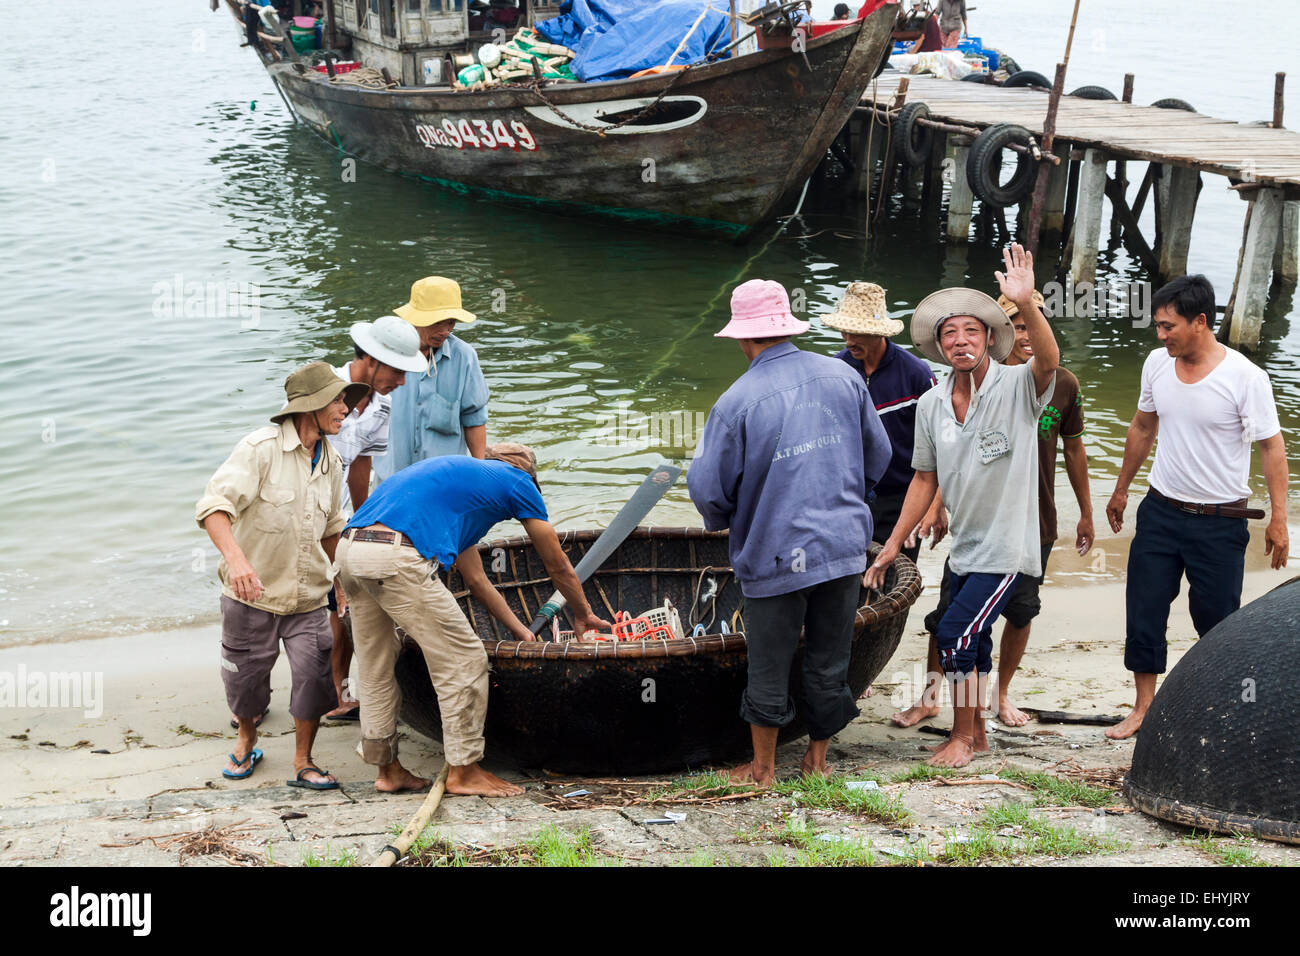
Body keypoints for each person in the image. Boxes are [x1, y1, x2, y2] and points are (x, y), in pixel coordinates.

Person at [688, 279, 891, 786]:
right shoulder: (843, 377)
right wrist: (844, 493)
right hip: (844, 547)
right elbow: (879, 456)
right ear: (787, 327)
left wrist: (729, 517)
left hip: (777, 552)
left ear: (742, 338)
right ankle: (816, 761)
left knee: (770, 662)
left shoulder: (737, 401)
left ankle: (761, 769)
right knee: (829, 660)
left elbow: (710, 489)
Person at [866, 244, 1061, 768]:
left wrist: (1028, 303)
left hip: (1007, 547)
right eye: (949, 333)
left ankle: (960, 736)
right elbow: (923, 479)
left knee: (954, 632)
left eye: (971, 331)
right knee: (966, 641)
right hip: (965, 547)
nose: (960, 340)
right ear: (937, 344)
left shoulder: (1019, 386)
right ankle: (974, 736)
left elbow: (1050, 361)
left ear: (990, 340)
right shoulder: (931, 402)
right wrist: (890, 546)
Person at [337, 444, 611, 795]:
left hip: (350, 550)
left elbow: (478, 581)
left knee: (375, 665)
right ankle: (464, 771)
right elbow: (557, 564)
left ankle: (387, 770)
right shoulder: (519, 481)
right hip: (394, 557)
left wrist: (521, 632)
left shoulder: (459, 486)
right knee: (464, 660)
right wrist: (584, 613)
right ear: (529, 474)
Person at [896, 290, 1094, 729]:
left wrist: (1087, 510)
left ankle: (992, 705)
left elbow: (1075, 448)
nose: (1024, 333)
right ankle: (944, 706)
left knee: (1014, 613)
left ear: (988, 336)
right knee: (951, 621)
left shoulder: (1048, 381)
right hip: (974, 531)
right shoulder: (955, 391)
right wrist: (933, 508)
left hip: (1028, 526)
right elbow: (952, 461)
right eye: (1017, 325)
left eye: (1030, 323)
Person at [1104, 275, 1289, 740]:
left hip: (1221, 522)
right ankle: (1144, 707)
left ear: (1201, 322)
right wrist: (1122, 489)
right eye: (1158, 327)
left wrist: (1280, 519)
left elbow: (1272, 448)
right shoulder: (1156, 364)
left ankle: (1223, 705)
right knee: (1144, 610)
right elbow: (1143, 427)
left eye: (1168, 326)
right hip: (1161, 511)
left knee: (1218, 620)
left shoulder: (1245, 377)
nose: (1160, 335)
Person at [196, 362, 369, 788]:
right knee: (246, 683)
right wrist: (238, 562)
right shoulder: (259, 449)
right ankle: (246, 741)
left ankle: (303, 760)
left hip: (309, 597)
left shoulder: (332, 458)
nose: (346, 408)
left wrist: (342, 583)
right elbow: (213, 508)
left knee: (313, 679)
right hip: (250, 596)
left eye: (346, 400)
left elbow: (332, 528)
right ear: (310, 407)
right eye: (338, 400)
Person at [322, 315, 428, 721]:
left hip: (338, 511)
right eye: (397, 371)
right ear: (370, 360)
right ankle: (261, 697)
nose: (401, 382)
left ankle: (337, 691)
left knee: (341, 602)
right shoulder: (323, 387)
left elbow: (361, 463)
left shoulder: (382, 403)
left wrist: (362, 519)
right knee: (308, 602)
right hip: (302, 507)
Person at [824, 281, 941, 565]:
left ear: (878, 333)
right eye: (845, 330)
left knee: (895, 579)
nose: (849, 339)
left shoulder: (917, 374)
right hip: (849, 499)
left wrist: (935, 505)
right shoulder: (835, 371)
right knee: (848, 580)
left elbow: (942, 445)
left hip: (903, 500)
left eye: (858, 332)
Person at [379, 276, 490, 478]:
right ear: (415, 318)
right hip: (392, 480)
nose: (445, 331)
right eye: (437, 323)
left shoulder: (464, 357)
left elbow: (474, 419)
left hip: (445, 481)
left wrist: (479, 474)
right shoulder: (386, 354)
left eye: (450, 323)